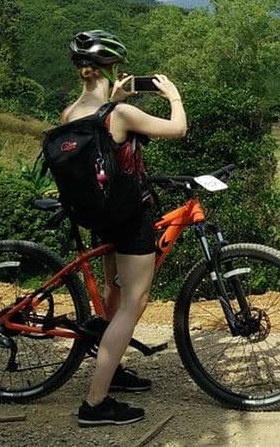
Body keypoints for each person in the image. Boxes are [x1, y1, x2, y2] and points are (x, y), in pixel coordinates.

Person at [63, 30, 187, 427]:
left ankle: (110, 371)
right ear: (111, 67)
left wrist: (115, 99)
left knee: (114, 301)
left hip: (98, 217)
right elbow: (177, 129)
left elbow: (99, 137)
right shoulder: (121, 115)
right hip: (129, 217)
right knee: (133, 304)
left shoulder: (69, 114)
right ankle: (95, 403)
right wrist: (173, 96)